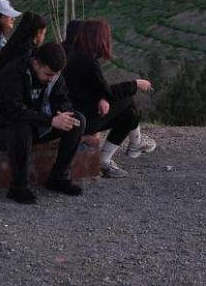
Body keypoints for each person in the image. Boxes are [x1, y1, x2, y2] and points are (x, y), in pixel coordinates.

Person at [0, 41, 84, 203]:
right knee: (21, 128)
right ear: (36, 63)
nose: (51, 79)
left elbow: (61, 99)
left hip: (38, 125)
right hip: (2, 128)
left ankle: (58, 177)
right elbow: (13, 111)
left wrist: (63, 114)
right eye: (48, 75)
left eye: (55, 75)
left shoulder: (54, 76)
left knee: (77, 120)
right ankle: (19, 187)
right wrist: (50, 120)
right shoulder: (13, 73)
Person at [65, 18, 156, 178]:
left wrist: (102, 97)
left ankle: (110, 156)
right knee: (127, 101)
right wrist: (136, 84)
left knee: (128, 114)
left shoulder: (76, 55)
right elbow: (108, 92)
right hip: (81, 121)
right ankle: (135, 143)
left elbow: (97, 90)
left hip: (80, 114)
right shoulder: (87, 62)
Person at [0, 11, 48, 93]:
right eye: (44, 33)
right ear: (39, 32)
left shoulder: (15, 45)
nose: (43, 38)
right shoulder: (27, 51)